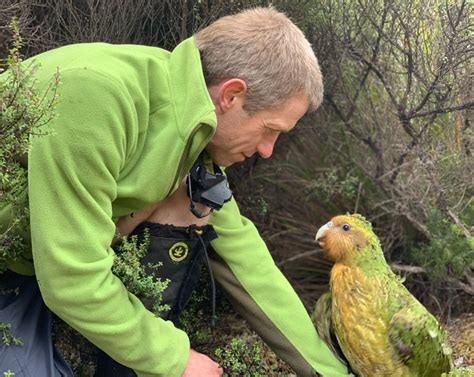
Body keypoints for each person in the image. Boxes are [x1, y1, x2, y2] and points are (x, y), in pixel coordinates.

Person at [0, 7, 350, 377]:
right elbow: (71, 277)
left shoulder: (193, 132)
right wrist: (175, 359)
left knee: (193, 200)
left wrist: (329, 372)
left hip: (41, 267)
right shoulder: (99, 95)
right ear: (231, 95)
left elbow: (247, 263)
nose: (267, 150)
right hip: (21, 268)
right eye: (270, 129)